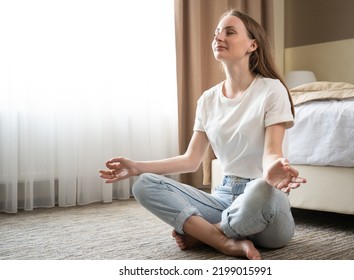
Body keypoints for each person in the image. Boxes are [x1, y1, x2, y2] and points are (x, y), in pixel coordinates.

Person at [99, 9, 306, 260]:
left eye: (230, 32)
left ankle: (206, 234)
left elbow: (272, 151)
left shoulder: (271, 90)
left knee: (260, 190)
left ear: (253, 45)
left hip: (265, 203)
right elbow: (191, 159)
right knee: (145, 184)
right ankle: (224, 242)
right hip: (223, 197)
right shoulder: (208, 100)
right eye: (217, 32)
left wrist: (274, 169)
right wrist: (136, 167)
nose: (219, 37)